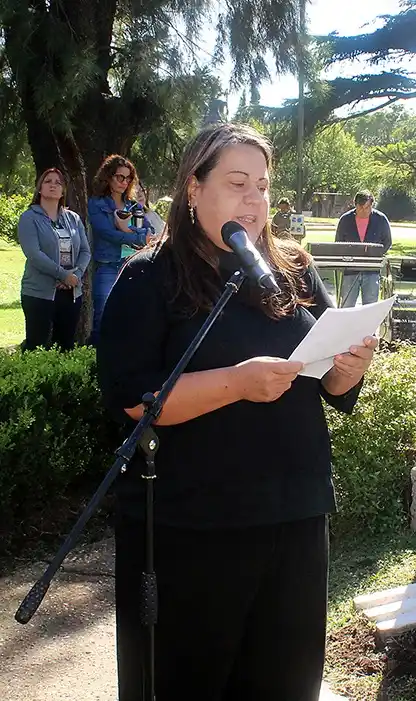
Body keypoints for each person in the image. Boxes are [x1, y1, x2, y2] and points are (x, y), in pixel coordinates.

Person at [96, 122, 377, 701]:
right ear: (193, 189)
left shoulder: (294, 270)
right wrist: (236, 383)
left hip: (296, 516)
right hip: (194, 528)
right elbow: (135, 401)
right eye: (237, 183)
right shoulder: (151, 277)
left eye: (263, 186)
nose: (254, 201)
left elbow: (335, 386)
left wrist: (350, 367)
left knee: (286, 681)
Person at [17, 168, 90, 351]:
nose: (53, 185)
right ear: (39, 188)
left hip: (71, 293)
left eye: (58, 182)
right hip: (39, 294)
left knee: (65, 348)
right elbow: (34, 254)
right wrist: (63, 275)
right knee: (36, 347)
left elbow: (85, 251)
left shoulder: (73, 218)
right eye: (48, 181)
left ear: (63, 190)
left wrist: (75, 275)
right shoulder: (29, 218)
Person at [88, 154, 154, 344]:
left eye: (128, 178)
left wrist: (126, 229)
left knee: (130, 317)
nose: (124, 182)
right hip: (108, 266)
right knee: (103, 315)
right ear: (108, 177)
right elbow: (107, 233)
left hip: (132, 266)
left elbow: (149, 232)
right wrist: (137, 236)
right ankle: (95, 364)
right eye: (119, 177)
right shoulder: (97, 203)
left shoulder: (134, 205)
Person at [334, 191, 392, 307]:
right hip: (350, 270)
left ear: (372, 205)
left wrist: (376, 254)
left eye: (367, 208)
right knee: (347, 306)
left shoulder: (381, 220)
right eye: (361, 207)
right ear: (355, 205)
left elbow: (387, 242)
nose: (364, 211)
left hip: (371, 271)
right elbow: (338, 243)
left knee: (370, 306)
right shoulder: (345, 220)